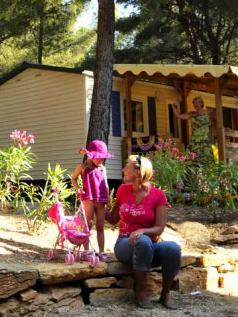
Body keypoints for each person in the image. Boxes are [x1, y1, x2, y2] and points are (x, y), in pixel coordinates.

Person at [106, 155, 181, 310]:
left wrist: (142, 231)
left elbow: (159, 228)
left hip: (150, 245)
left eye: (127, 167)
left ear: (137, 173)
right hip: (125, 244)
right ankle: (141, 290)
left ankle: (165, 294)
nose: (123, 170)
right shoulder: (122, 190)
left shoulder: (158, 195)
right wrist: (97, 207)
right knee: (144, 241)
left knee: (173, 248)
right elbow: (113, 218)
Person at [71, 140, 113, 262]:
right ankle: (86, 250)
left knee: (100, 226)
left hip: (101, 200)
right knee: (87, 225)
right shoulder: (82, 167)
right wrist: (78, 188)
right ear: (91, 155)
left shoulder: (102, 168)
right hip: (88, 199)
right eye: (98, 158)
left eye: (102, 158)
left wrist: (108, 199)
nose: (100, 161)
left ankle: (102, 252)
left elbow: (105, 184)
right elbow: (73, 179)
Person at [172, 96, 215, 166]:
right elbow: (180, 116)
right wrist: (173, 106)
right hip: (195, 141)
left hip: (204, 141)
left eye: (196, 102)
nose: (195, 104)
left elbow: (218, 121)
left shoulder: (208, 113)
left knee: (206, 160)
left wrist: (224, 128)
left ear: (201, 103)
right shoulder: (192, 114)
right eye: (193, 103)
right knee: (192, 161)